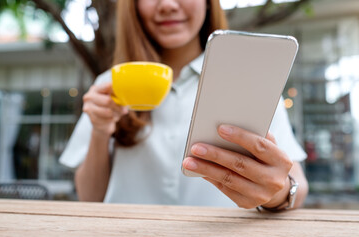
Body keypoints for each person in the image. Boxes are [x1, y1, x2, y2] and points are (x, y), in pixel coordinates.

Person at [60, 0, 308, 210]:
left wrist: (278, 193)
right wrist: (100, 130)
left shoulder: (248, 80)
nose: (167, 5)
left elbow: (297, 183)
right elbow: (90, 198)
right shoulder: (109, 84)